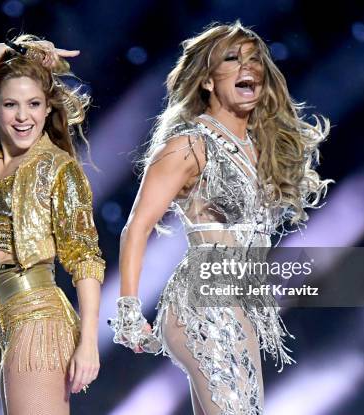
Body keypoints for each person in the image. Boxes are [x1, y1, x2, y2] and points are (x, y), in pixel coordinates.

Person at [109, 21, 332, 414]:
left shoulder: (259, 147)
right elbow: (137, 226)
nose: (249, 67)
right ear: (208, 81)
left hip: (240, 305)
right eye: (232, 59)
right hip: (203, 306)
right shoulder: (189, 144)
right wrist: (128, 310)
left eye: (254, 59)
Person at [0, 34, 104, 415]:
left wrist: (89, 340)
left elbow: (85, 257)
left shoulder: (58, 168)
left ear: (47, 109)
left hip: (37, 316)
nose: (23, 116)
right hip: (5, 315)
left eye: (34, 104)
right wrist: (17, 53)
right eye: (11, 104)